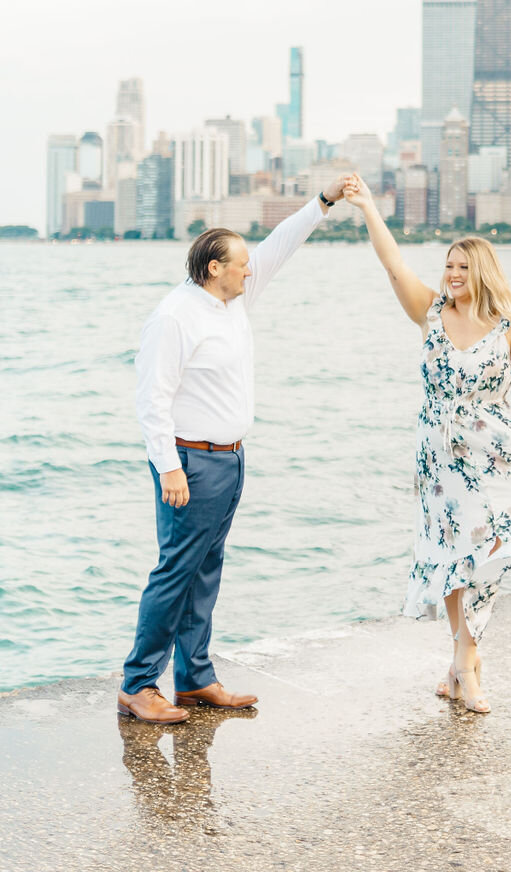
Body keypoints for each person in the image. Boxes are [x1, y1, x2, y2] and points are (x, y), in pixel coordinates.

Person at [342, 174, 511, 714]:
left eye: (462, 267)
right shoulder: (431, 314)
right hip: (436, 462)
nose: (452, 274)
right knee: (451, 560)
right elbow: (393, 264)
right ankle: (462, 666)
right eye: (449, 266)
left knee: (482, 557)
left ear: (483, 273)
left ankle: (465, 666)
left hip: (491, 457)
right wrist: (367, 208)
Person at [118, 179, 349, 723]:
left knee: (206, 568)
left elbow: (280, 245)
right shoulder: (176, 315)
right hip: (191, 462)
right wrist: (169, 468)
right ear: (213, 267)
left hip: (230, 459)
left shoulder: (233, 297)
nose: (251, 269)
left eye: (249, 263)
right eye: (240, 263)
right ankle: (138, 684)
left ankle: (195, 680)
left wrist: (325, 201)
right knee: (176, 571)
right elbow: (151, 399)